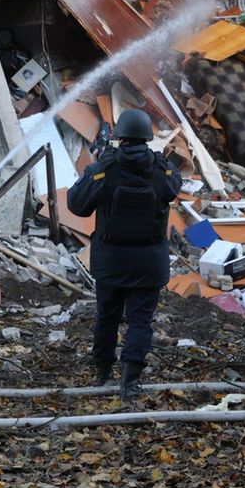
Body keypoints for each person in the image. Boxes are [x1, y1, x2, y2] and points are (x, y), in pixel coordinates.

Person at [66, 108, 181, 401]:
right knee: (141, 321)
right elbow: (173, 186)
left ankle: (102, 372)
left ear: (119, 137)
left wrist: (95, 166)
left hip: (111, 262)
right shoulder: (162, 169)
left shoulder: (104, 170)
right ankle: (129, 382)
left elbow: (77, 206)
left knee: (108, 317)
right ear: (146, 136)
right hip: (149, 264)